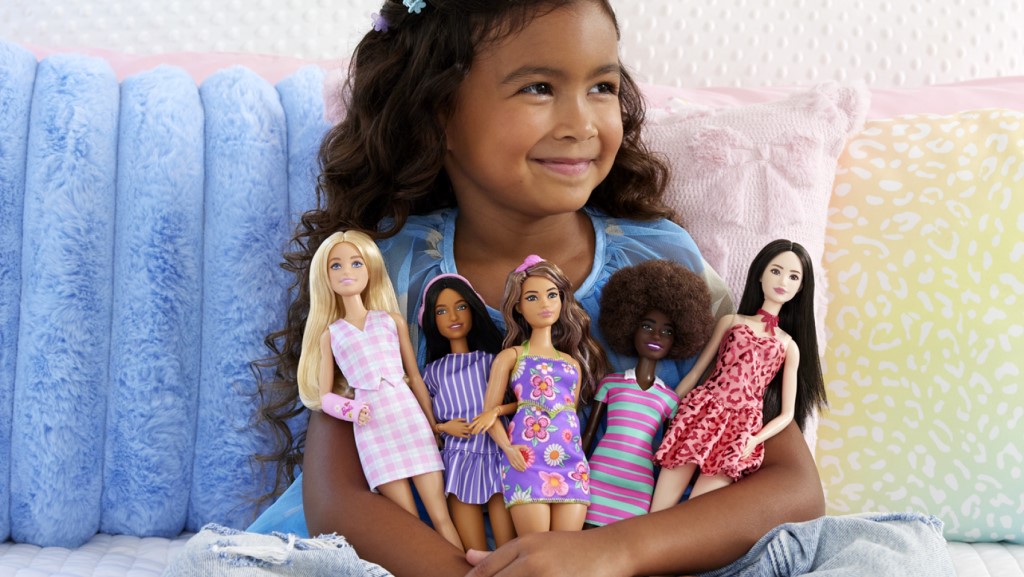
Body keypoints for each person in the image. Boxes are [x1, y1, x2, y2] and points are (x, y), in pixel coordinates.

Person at [253, 0, 827, 575]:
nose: (581, 123)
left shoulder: (662, 261)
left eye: (602, 87)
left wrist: (613, 552)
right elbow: (335, 498)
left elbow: (793, 487)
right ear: (437, 113)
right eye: (538, 88)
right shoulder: (386, 270)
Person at [296, 230, 463, 550]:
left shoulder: (390, 321)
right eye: (336, 265)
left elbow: (415, 377)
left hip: (409, 419)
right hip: (372, 430)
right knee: (409, 523)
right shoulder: (331, 335)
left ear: (370, 268)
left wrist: (433, 425)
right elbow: (324, 396)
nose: (346, 272)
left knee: (441, 515)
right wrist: (351, 410)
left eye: (356, 263)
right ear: (324, 276)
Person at [650, 240, 828, 511]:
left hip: (740, 429)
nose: (783, 281)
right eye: (776, 271)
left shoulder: (788, 346)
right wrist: (664, 407)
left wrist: (755, 439)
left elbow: (787, 414)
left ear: (801, 287)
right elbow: (698, 371)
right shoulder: (732, 322)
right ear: (760, 274)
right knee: (659, 507)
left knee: (696, 513)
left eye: (794, 277)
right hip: (702, 411)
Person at [469, 256, 607, 535]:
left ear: (562, 300)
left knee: (567, 548)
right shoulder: (511, 356)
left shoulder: (572, 364)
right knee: (536, 546)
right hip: (526, 457)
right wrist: (508, 449)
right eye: (532, 297)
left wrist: (500, 411)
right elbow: (492, 413)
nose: (545, 304)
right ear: (518, 306)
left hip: (571, 460)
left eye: (552, 295)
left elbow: (568, 413)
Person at [579, 260, 714, 527]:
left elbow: (667, 453)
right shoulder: (610, 384)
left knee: (626, 542)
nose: (656, 336)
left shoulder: (669, 400)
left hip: (639, 482)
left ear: (679, 339)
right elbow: (588, 435)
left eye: (667, 331)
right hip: (599, 472)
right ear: (629, 326)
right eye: (647, 326)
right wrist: (574, 470)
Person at [418, 273, 517, 551]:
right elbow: (422, 420)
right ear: (431, 320)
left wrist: (495, 412)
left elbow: (519, 402)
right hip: (458, 458)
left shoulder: (493, 362)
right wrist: (442, 427)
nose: (453, 316)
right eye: (441, 311)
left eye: (461, 306)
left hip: (497, 452)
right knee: (472, 552)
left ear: (474, 310)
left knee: (510, 547)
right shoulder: (432, 372)